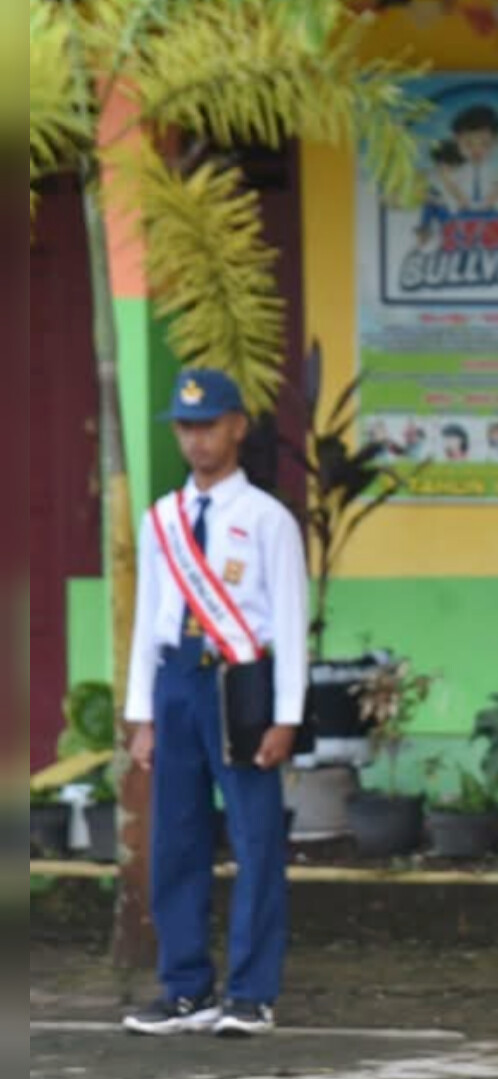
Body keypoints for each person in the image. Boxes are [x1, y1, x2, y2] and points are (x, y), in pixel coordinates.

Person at [122, 368, 310, 1037]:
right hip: (176, 682)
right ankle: (186, 989)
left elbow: (290, 621)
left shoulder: (267, 519)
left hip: (240, 684)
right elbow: (148, 618)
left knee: (256, 840)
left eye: (207, 425)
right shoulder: (162, 520)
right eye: (186, 427)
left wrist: (287, 716)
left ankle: (252, 993)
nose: (196, 440)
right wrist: (141, 713)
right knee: (175, 839)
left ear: (236, 427)